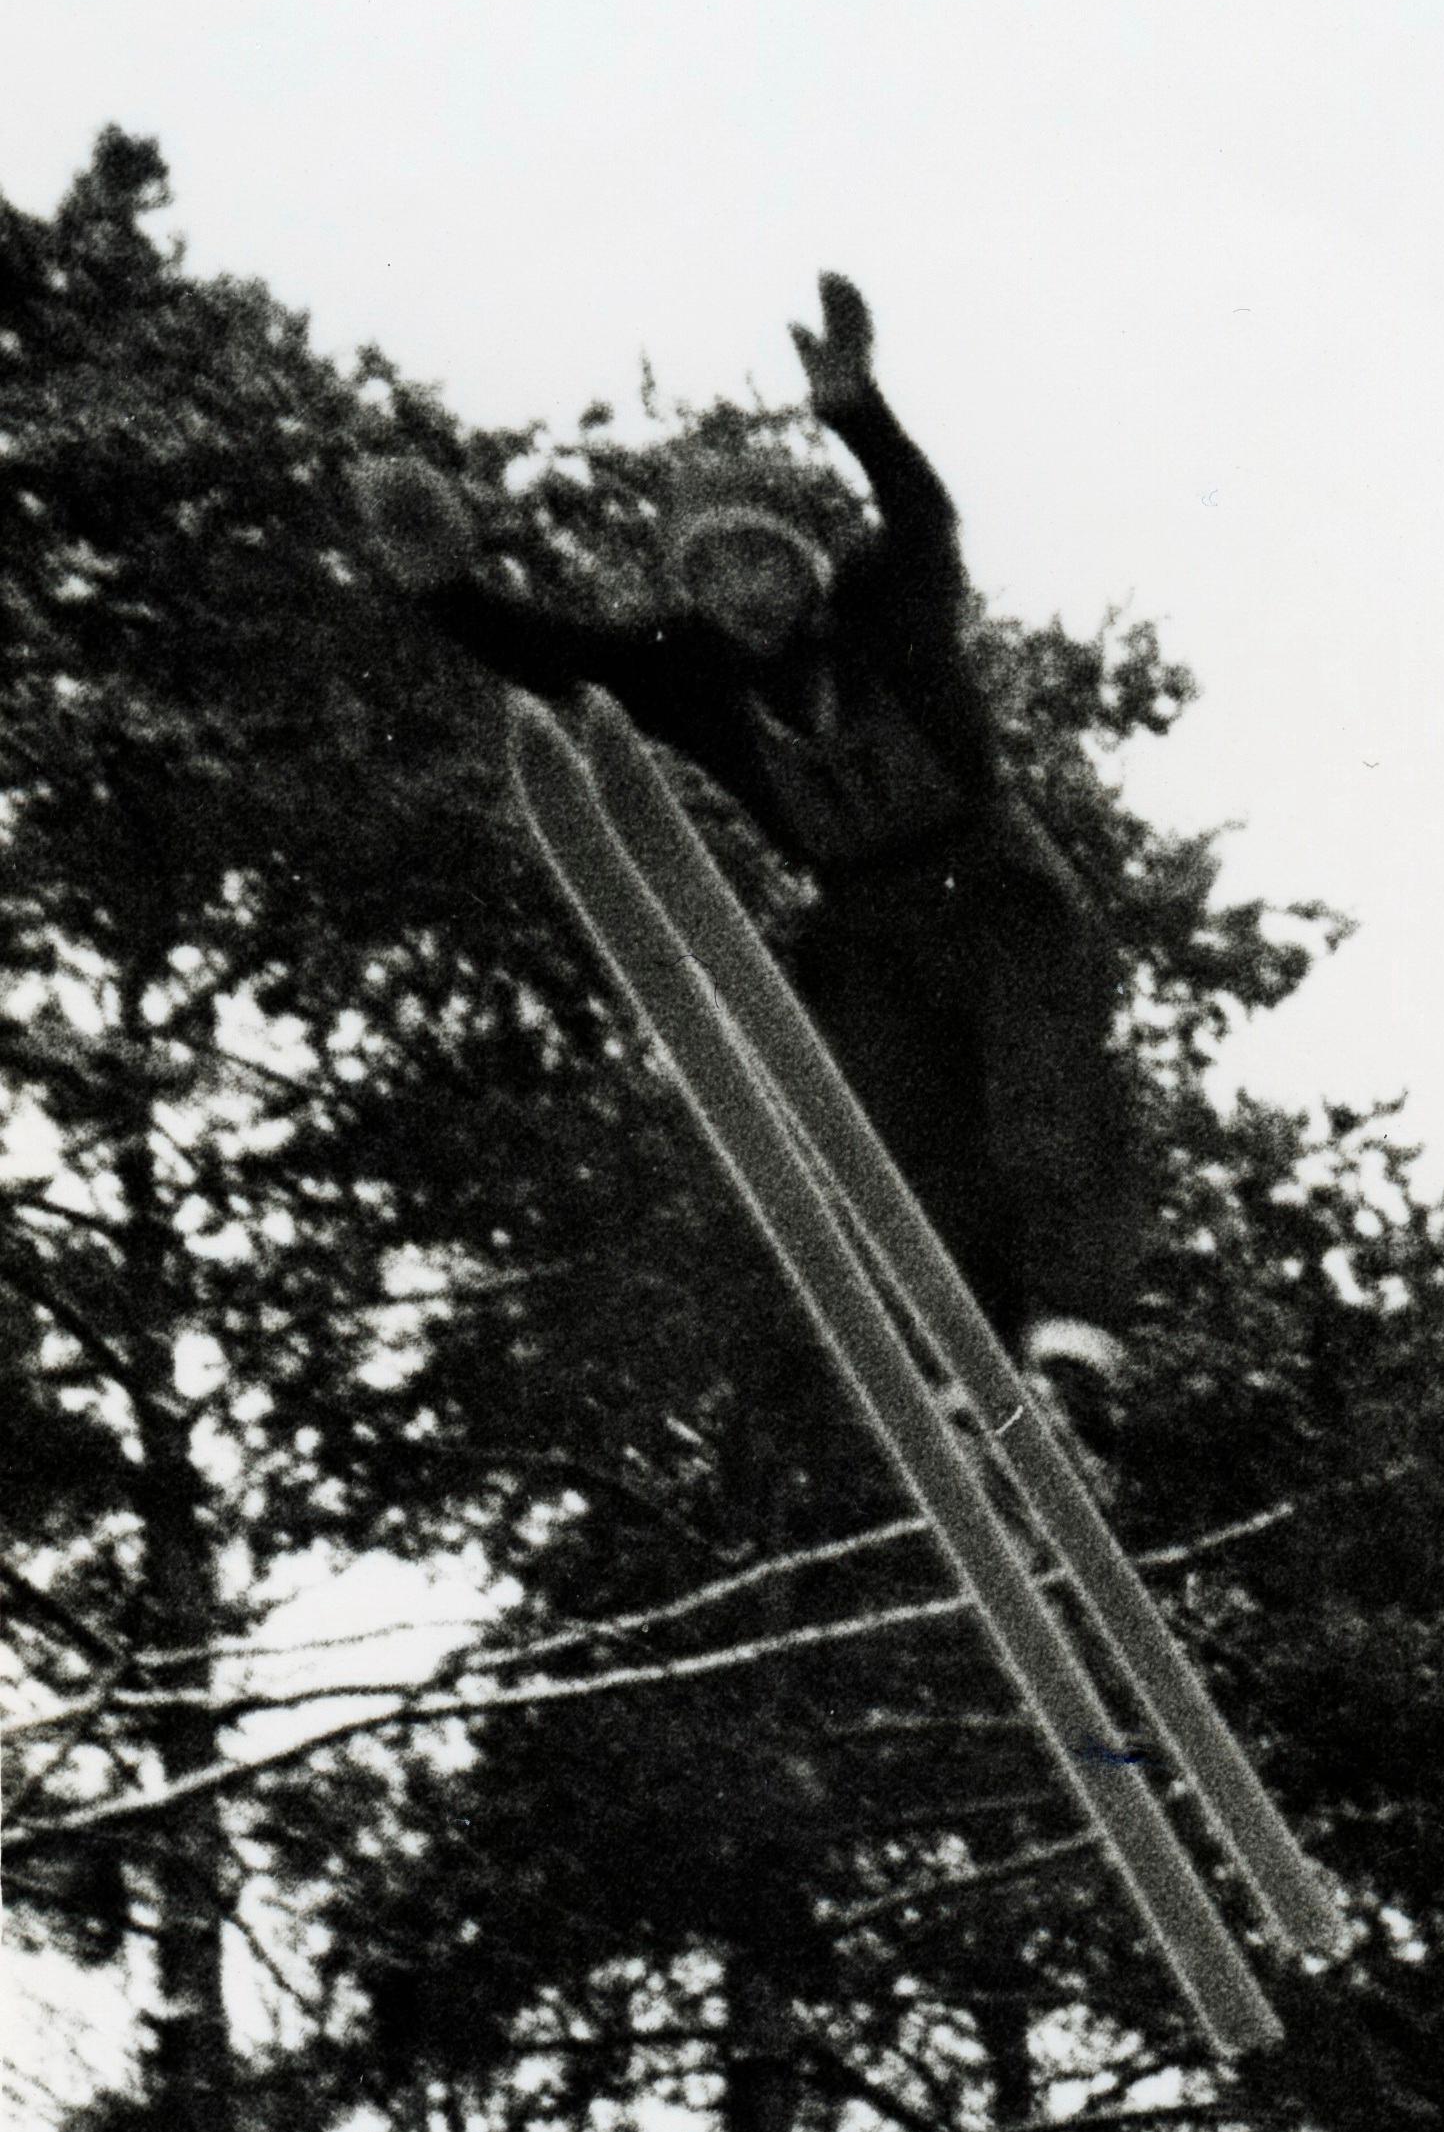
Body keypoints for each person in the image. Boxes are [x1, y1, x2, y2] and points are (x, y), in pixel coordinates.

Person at [351, 276, 1139, 1466]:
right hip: (866, 926)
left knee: (1045, 1112)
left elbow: (922, 515)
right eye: (712, 576)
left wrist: (856, 410)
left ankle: (1073, 1348)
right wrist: (444, 587)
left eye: (760, 564)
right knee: (917, 1146)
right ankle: (987, 1371)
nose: (740, 595)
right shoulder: (693, 671)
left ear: (805, 561)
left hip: (997, 892)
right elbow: (557, 655)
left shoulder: (888, 604)